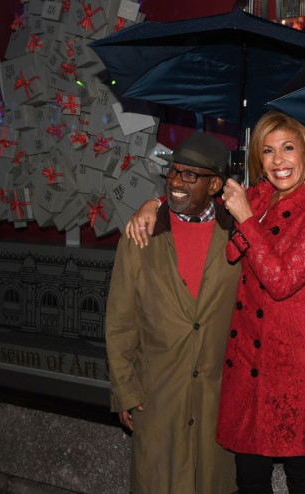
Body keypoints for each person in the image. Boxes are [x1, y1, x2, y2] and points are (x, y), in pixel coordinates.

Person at [126, 111, 305, 493]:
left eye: (288, 149)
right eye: (268, 151)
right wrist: (156, 204)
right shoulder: (259, 195)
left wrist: (247, 218)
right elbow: (199, 199)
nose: (278, 161)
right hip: (245, 367)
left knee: (302, 480)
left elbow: (282, 280)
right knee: (249, 480)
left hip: (291, 371)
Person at [106, 132, 240, 493]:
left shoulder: (239, 236)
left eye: (190, 175)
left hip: (218, 403)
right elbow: (120, 320)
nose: (177, 182)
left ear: (215, 184)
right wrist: (127, 391)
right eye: (173, 173)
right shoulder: (142, 234)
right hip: (157, 399)